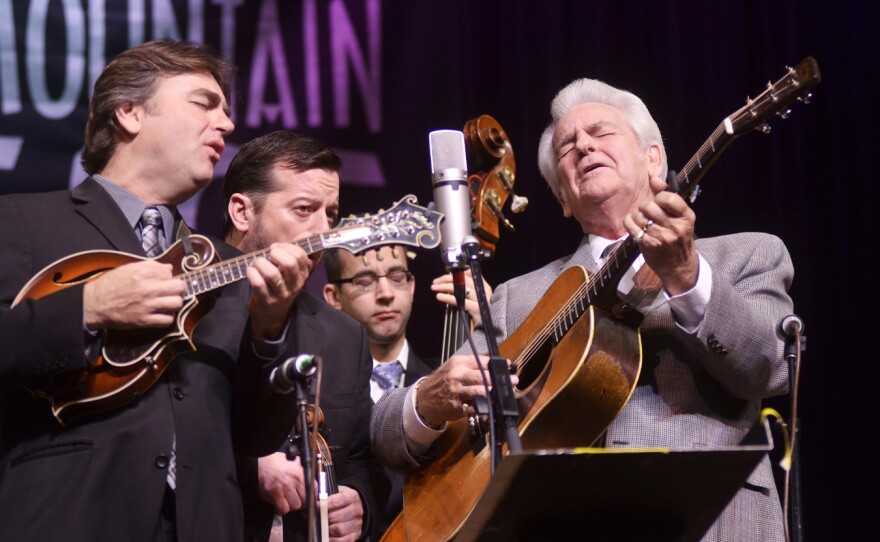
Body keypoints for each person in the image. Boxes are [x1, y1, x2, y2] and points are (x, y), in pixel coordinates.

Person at [372, 77, 791, 541]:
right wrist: (428, 399)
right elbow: (387, 431)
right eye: (567, 147)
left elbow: (769, 370)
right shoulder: (518, 298)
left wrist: (687, 276)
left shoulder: (747, 255)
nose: (583, 146)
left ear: (653, 157)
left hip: (714, 525)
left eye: (601, 132)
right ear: (562, 199)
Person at [0, 40, 306, 541]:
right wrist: (88, 307)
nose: (228, 126)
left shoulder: (229, 269)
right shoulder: (21, 221)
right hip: (68, 514)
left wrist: (270, 330)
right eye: (204, 104)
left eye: (227, 112)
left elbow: (255, 436)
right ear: (130, 113)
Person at [223, 130, 376, 542]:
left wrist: (360, 501)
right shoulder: (192, 315)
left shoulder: (347, 335)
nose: (323, 229)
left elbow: (358, 456)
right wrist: (249, 472)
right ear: (242, 212)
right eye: (305, 209)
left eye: (331, 213)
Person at [322, 245, 488, 533]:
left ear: (412, 286)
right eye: (364, 281)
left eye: (397, 276)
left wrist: (494, 325)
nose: (385, 293)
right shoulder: (317, 394)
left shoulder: (453, 383)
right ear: (333, 297)